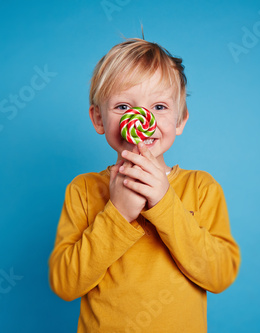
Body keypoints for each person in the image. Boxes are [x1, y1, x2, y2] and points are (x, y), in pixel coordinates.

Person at [48, 38, 240, 333]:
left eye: (160, 106)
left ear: (180, 120)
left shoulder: (201, 188)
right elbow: (65, 284)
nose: (143, 118)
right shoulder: (83, 190)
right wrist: (117, 213)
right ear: (99, 118)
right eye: (123, 105)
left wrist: (165, 203)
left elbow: (220, 275)